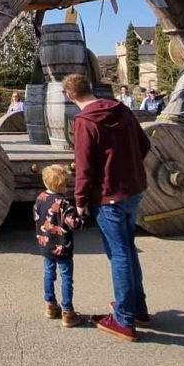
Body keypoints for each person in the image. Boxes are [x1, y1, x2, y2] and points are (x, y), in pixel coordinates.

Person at [65, 73, 151, 342]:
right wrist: (128, 167)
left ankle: (124, 320)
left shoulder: (84, 121)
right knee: (127, 249)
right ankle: (137, 307)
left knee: (119, 254)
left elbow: (85, 166)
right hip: (132, 190)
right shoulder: (121, 109)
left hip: (108, 196)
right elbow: (144, 143)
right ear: (90, 88)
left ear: (69, 96)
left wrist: (79, 201)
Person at [33, 164, 83, 328]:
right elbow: (74, 224)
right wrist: (82, 217)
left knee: (48, 273)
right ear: (64, 184)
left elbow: (37, 217)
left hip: (46, 246)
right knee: (66, 278)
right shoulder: (64, 204)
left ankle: (50, 305)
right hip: (63, 247)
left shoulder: (40, 198)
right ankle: (68, 312)